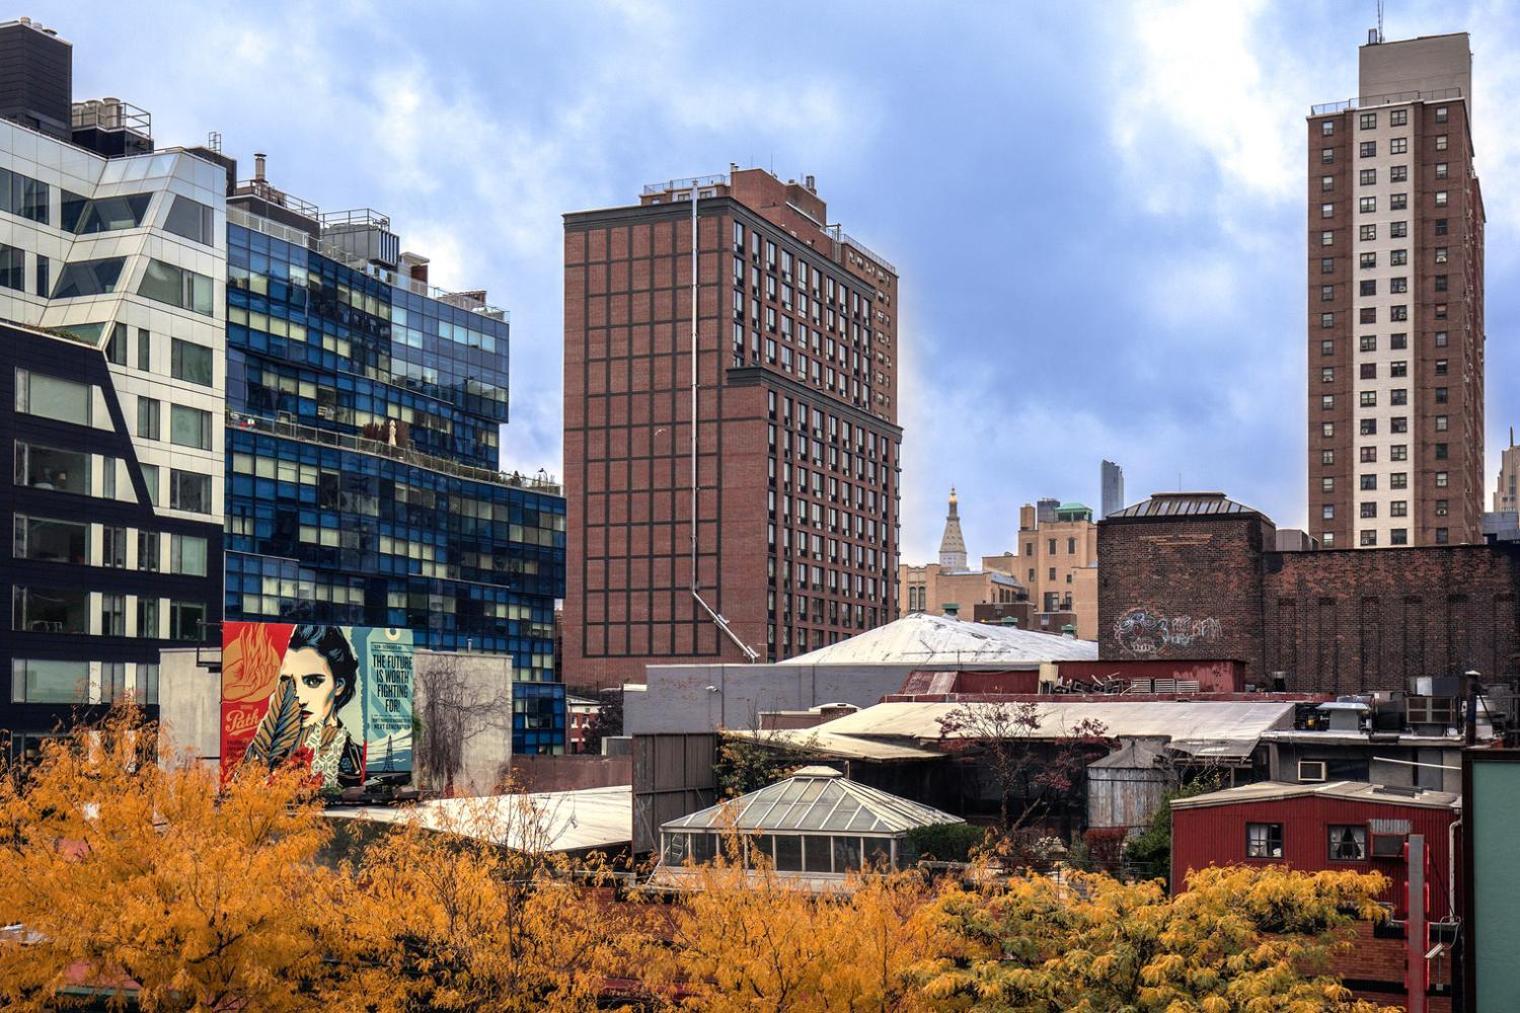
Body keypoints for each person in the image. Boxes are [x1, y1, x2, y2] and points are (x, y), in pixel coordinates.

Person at [245, 624, 364, 795]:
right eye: (287, 682)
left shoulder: (358, 759)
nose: (298, 697)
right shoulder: (265, 747)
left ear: (338, 685)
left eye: (313, 681)